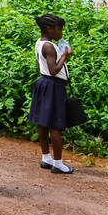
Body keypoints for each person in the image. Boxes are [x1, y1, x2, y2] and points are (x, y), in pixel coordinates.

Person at [29, 14, 74, 174]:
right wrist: (64, 56)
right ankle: (58, 163)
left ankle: (46, 157)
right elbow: (54, 70)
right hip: (53, 86)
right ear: (50, 29)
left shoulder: (40, 43)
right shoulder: (49, 46)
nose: (61, 33)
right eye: (59, 29)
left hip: (44, 83)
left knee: (43, 123)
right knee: (55, 125)